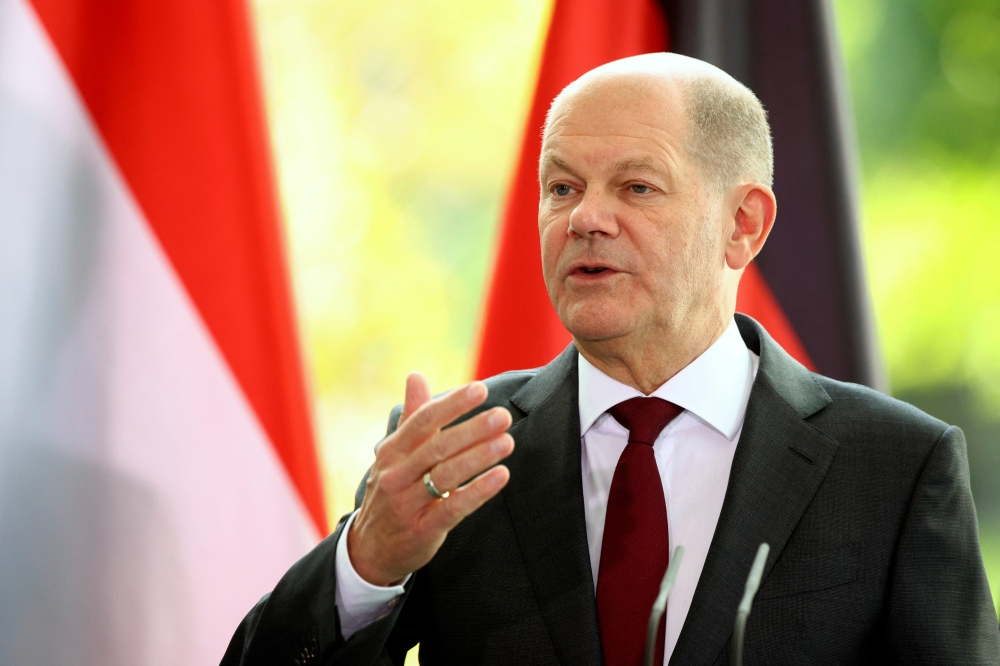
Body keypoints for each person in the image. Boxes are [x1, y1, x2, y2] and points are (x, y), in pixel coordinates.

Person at [222, 53, 1000, 666]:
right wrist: (368, 562)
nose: (586, 219)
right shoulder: (453, 453)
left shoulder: (894, 465)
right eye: (561, 187)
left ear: (743, 224)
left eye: (635, 186)